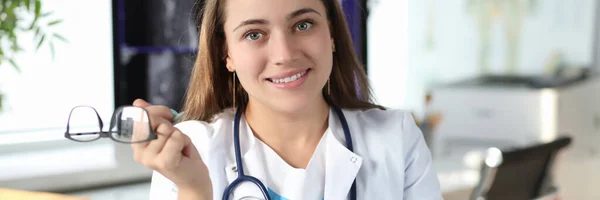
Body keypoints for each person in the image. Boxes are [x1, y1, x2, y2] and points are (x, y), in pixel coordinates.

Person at [131, 0, 443, 199]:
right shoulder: (189, 150)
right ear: (226, 53)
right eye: (254, 33)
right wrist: (194, 190)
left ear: (332, 35)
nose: (285, 54)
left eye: (303, 25)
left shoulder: (396, 138)